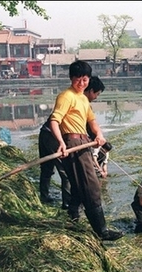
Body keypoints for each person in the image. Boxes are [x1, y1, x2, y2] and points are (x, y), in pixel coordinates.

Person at [49, 60, 123, 241]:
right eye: (78, 79)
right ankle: (102, 232)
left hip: (84, 141)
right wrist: (61, 143)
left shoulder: (83, 98)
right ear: (71, 78)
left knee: (79, 185)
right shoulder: (66, 96)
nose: (82, 83)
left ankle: (73, 217)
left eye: (85, 79)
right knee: (91, 186)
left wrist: (99, 135)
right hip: (72, 142)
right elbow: (54, 120)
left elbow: (92, 122)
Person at [37, 76, 106, 209]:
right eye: (97, 94)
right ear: (90, 90)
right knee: (66, 172)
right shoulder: (75, 98)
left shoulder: (79, 99)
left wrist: (98, 136)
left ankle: (44, 196)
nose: (96, 97)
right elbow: (59, 121)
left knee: (47, 169)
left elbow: (90, 125)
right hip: (55, 138)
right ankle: (67, 204)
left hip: (45, 134)